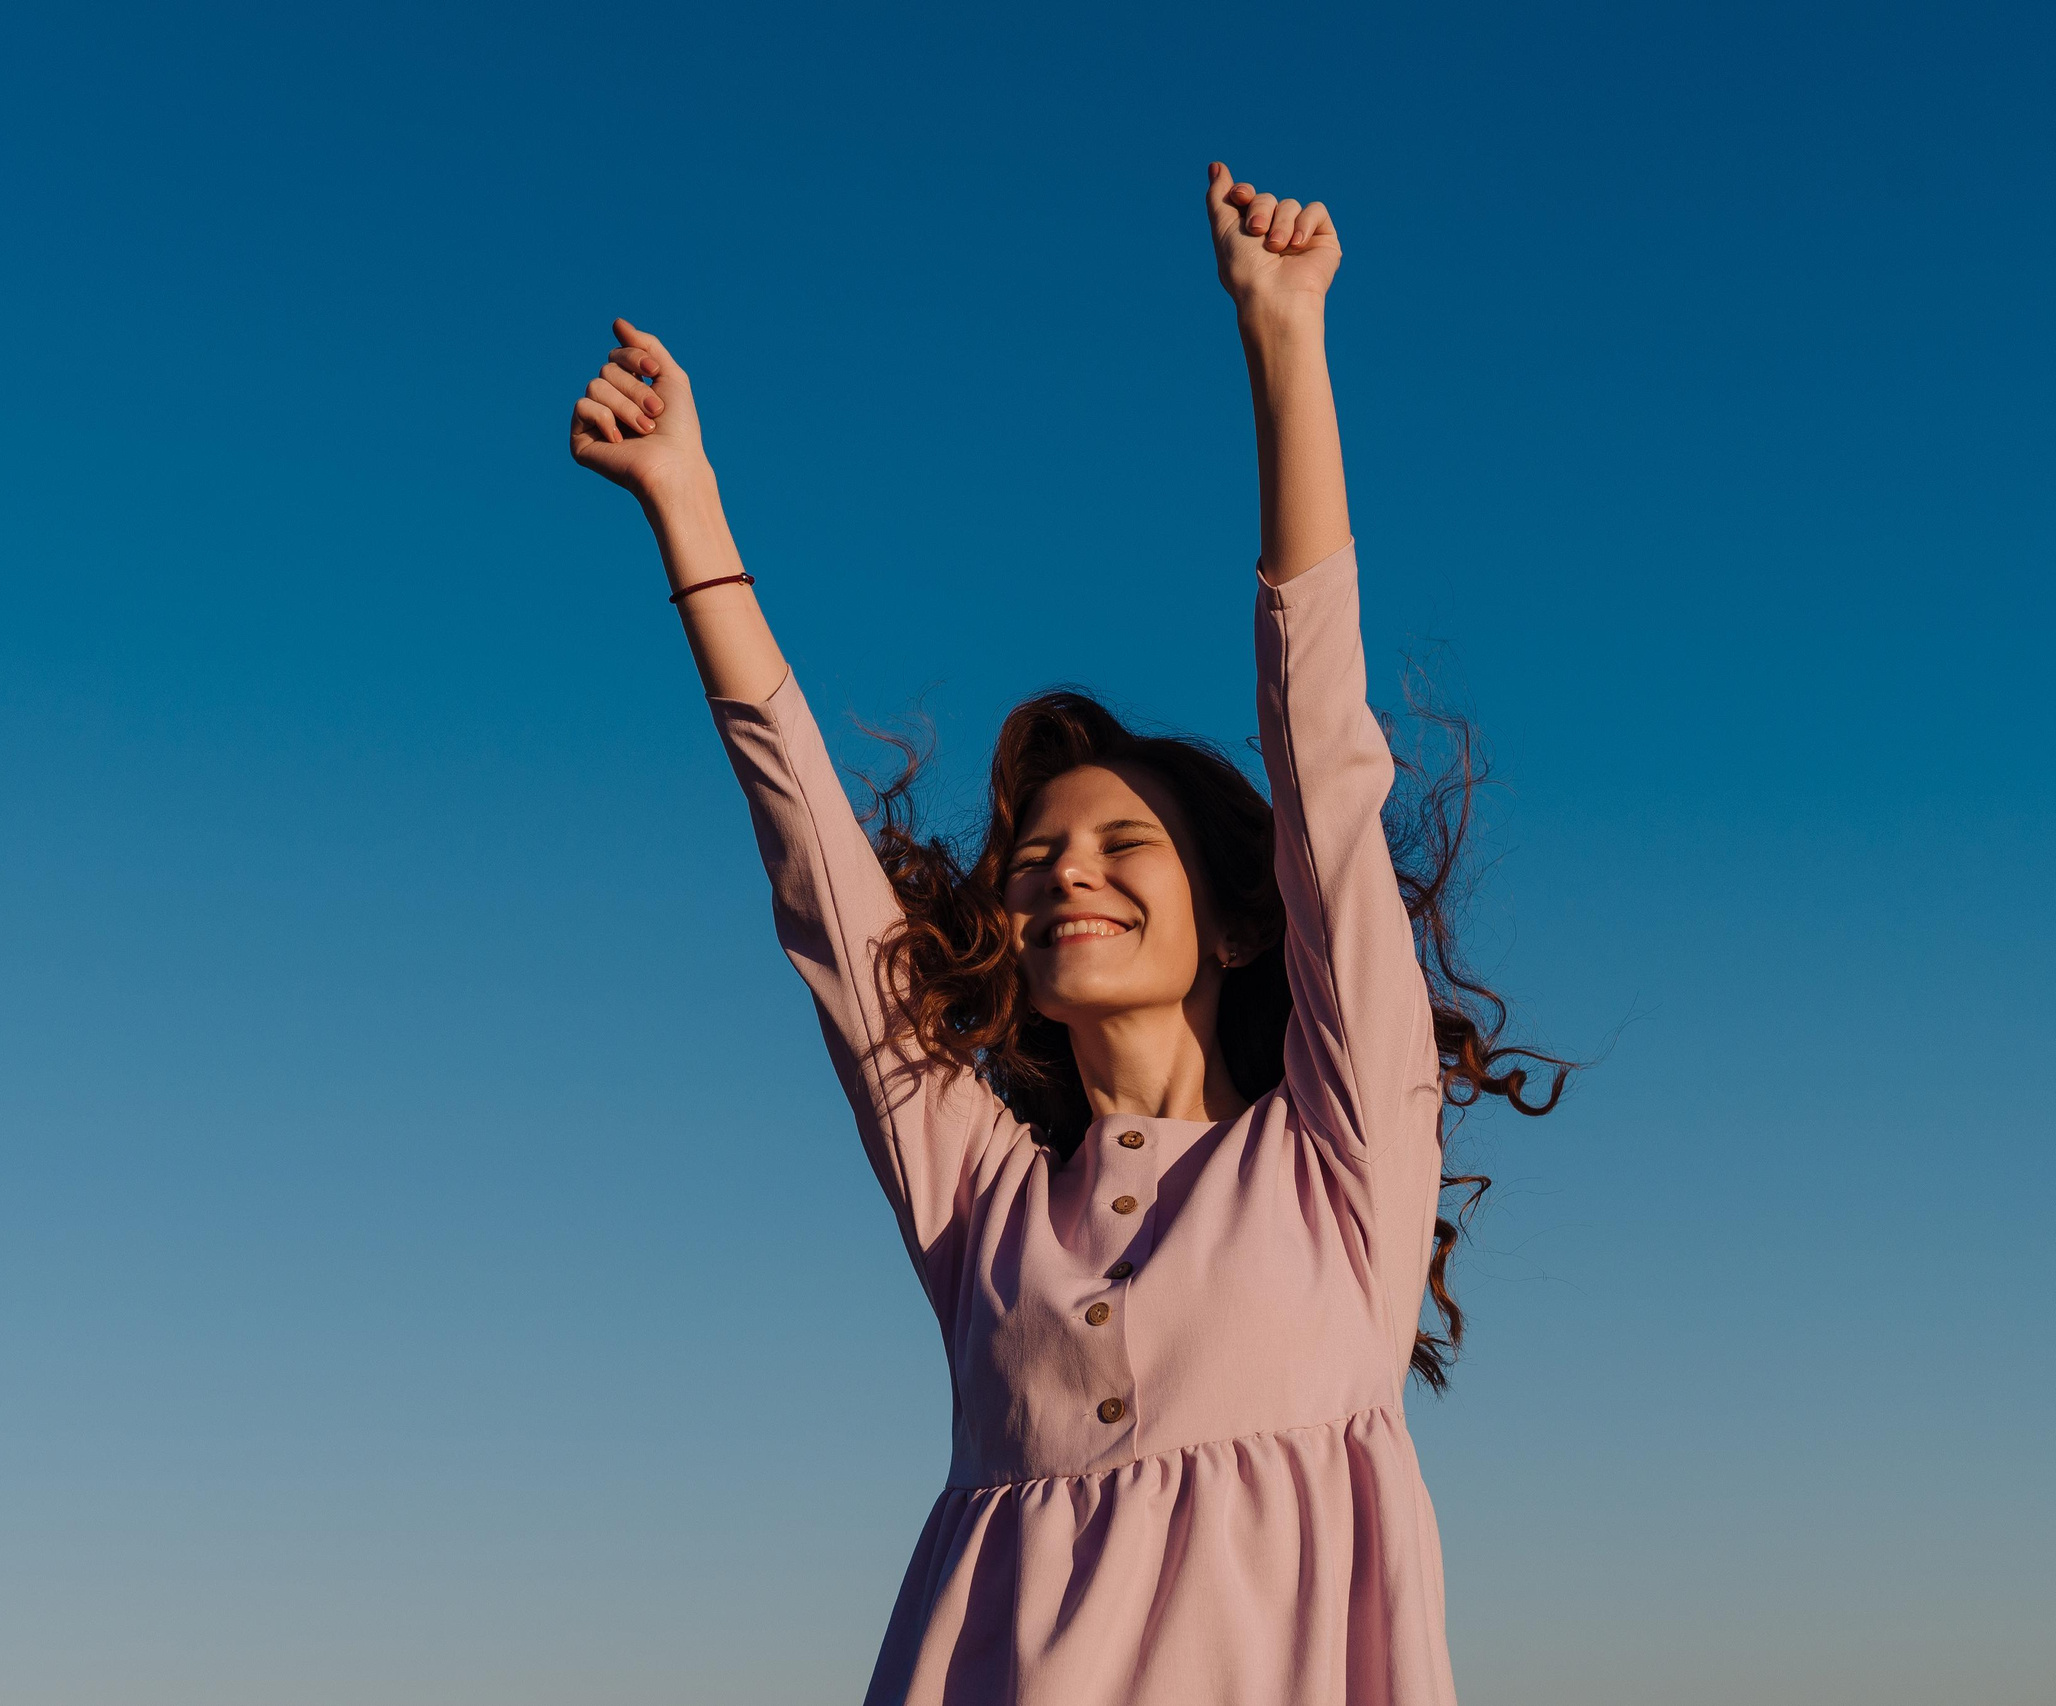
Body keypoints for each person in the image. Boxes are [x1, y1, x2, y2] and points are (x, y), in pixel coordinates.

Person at [566, 161, 1566, 1706]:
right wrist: (687, 509)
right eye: (1033, 857)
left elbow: (1325, 762)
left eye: (1119, 844)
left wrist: (1285, 346)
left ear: (1242, 922)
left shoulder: (1338, 1160)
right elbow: (825, 891)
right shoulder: (982, 1205)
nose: (1059, 875)